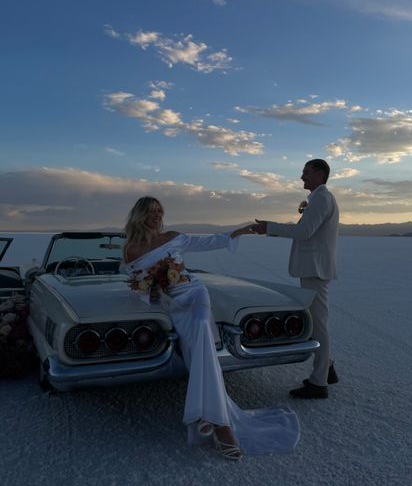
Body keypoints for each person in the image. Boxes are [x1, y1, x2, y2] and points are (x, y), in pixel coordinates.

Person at [122, 196, 300, 459]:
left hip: (194, 294)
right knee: (199, 353)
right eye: (151, 212)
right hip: (171, 303)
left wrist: (235, 233)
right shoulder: (131, 250)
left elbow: (208, 242)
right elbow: (136, 285)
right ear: (140, 215)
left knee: (202, 330)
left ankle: (220, 425)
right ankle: (211, 415)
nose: (157, 215)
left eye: (160, 210)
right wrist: (151, 292)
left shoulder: (174, 237)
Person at [251, 159, 339, 399]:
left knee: (319, 325)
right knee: (317, 321)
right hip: (314, 268)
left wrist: (269, 227)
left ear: (320, 174)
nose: (302, 177)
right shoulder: (319, 198)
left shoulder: (321, 198)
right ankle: (327, 368)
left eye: (306, 172)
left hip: (315, 270)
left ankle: (319, 383)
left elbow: (304, 232)